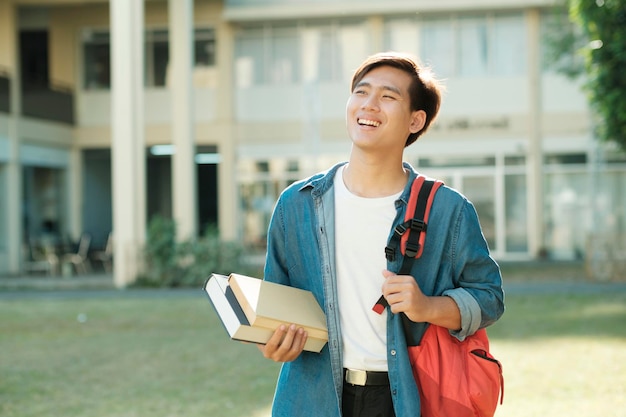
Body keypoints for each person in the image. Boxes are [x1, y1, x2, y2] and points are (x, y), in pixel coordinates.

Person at [257, 51, 505, 417]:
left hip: (405, 398)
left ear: (416, 121)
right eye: (361, 92)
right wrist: (274, 343)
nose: (369, 105)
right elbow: (275, 309)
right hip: (312, 397)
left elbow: (489, 297)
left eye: (388, 97)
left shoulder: (447, 210)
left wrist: (428, 307)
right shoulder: (297, 204)